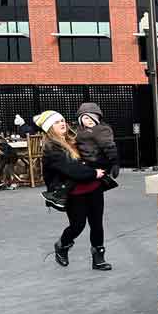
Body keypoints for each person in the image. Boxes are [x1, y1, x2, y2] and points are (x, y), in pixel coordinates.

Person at [34, 110, 110, 270]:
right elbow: (71, 169)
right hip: (74, 192)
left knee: (97, 224)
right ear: (49, 128)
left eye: (62, 120)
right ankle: (62, 245)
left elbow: (95, 155)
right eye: (56, 122)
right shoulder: (52, 148)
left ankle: (99, 258)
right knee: (78, 225)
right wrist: (94, 172)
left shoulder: (76, 140)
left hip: (94, 188)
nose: (62, 123)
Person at [74, 103, 120, 180]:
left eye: (93, 118)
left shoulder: (101, 130)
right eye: (86, 118)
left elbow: (109, 146)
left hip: (96, 162)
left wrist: (115, 162)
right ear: (80, 119)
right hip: (82, 163)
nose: (90, 120)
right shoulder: (76, 130)